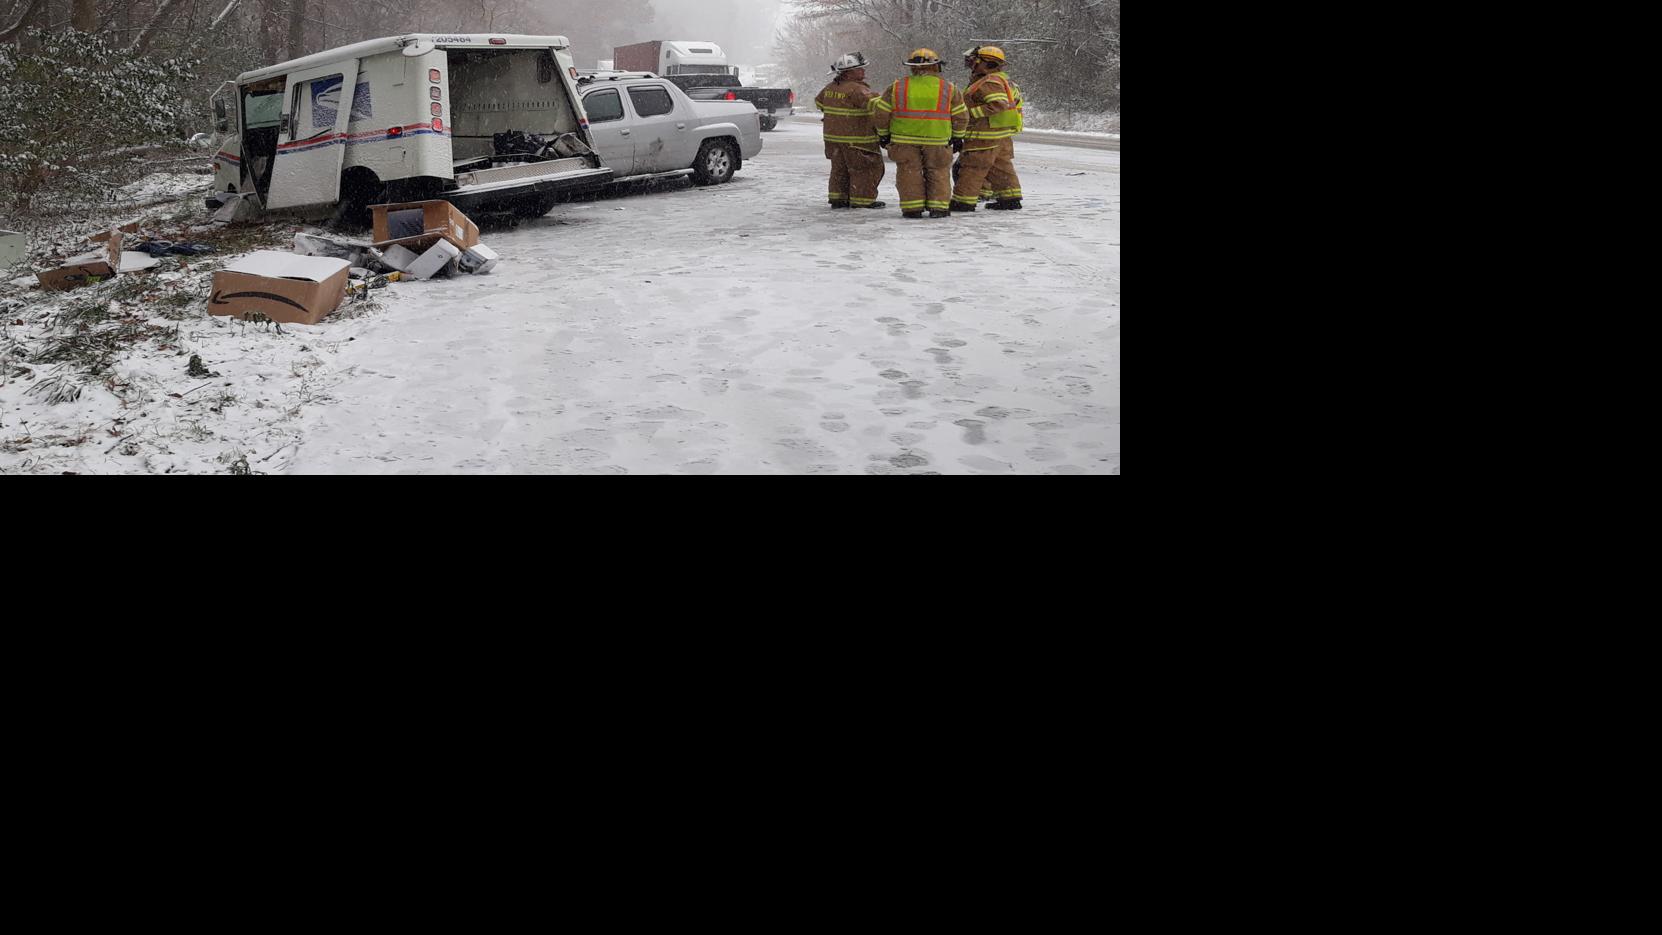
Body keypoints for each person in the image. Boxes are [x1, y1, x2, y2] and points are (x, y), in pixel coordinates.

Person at [870, 49, 968, 218]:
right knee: (938, 172)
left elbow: (881, 113)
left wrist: (883, 134)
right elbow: (961, 116)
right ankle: (938, 208)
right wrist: (958, 136)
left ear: (912, 67)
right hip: (937, 140)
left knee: (908, 173)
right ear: (935, 66)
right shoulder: (949, 88)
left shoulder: (897, 87)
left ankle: (912, 208)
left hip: (903, 140)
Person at [951, 46, 1025, 212]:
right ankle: (1010, 198)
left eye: (974, 60)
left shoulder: (990, 81)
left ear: (988, 63)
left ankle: (963, 202)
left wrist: (968, 113)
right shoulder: (1001, 79)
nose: (971, 63)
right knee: (1000, 167)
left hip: (984, 135)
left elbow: (997, 104)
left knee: (972, 167)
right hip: (1000, 134)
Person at [814, 52, 886, 209]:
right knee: (865, 169)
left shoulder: (830, 88)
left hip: (834, 140)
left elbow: (819, 103)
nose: (863, 72)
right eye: (859, 69)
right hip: (858, 141)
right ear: (848, 72)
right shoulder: (857, 90)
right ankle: (863, 200)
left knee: (839, 170)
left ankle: (838, 198)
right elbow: (878, 107)